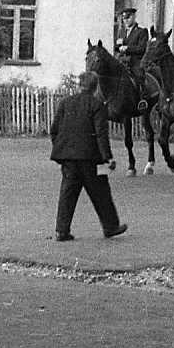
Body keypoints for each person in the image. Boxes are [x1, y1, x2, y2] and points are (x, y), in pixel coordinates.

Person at [49, 71, 128, 241]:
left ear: (79, 85)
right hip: (91, 158)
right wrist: (108, 157)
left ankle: (61, 230)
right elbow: (101, 134)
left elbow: (54, 130)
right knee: (101, 193)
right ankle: (111, 226)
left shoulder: (65, 103)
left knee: (67, 193)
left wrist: (61, 149)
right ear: (95, 87)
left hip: (68, 157)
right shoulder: (97, 104)